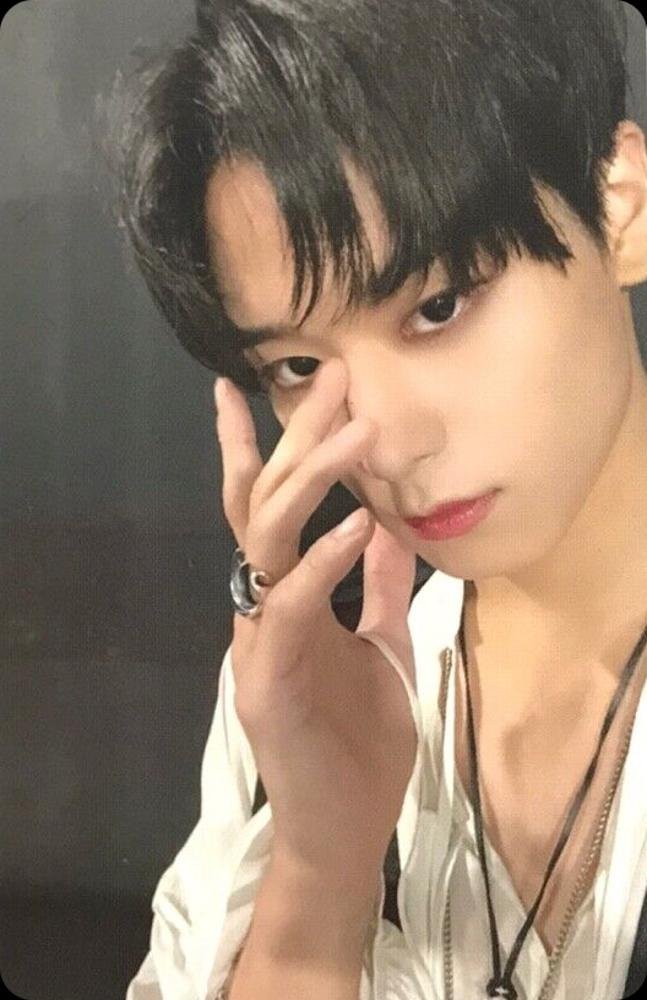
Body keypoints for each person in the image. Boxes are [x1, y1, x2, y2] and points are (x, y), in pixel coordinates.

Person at [109, 1, 647, 997]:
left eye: (437, 306)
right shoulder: (316, 675)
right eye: (297, 365)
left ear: (618, 206)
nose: (387, 446)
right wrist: (322, 866)